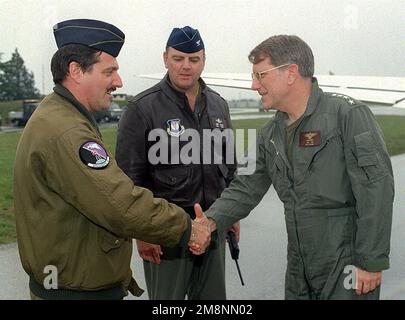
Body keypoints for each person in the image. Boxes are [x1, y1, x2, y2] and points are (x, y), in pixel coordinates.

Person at [13, 19, 210, 300]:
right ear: (76, 71)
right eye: (110, 71)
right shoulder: (68, 131)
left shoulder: (60, 115)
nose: (118, 82)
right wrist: (186, 227)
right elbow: (120, 203)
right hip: (74, 292)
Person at [197, 35, 394, 300]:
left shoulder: (347, 116)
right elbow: (244, 187)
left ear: (291, 73)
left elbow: (376, 190)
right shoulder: (269, 135)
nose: (254, 85)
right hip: (299, 265)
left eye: (260, 75)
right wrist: (209, 221)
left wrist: (370, 261)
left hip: (346, 263)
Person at [116, 26, 238, 300]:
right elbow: (128, 182)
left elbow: (229, 168)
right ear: (165, 58)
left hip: (212, 228)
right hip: (165, 235)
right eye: (178, 58)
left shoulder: (219, 105)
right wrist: (142, 233)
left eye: (194, 59)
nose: (186, 66)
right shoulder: (141, 108)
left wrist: (231, 215)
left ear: (203, 61)